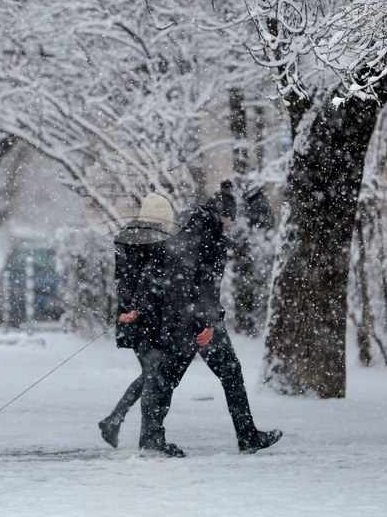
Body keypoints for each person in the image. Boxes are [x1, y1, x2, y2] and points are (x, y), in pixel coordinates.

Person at [137, 181, 283, 457]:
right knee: (230, 373)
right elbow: (205, 283)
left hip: (178, 317)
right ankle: (247, 435)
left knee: (164, 378)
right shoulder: (211, 234)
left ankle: (151, 437)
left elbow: (174, 277)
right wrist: (206, 323)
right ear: (222, 215)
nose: (229, 225)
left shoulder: (185, 228)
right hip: (198, 322)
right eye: (229, 219)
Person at [98, 192, 175, 448]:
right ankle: (145, 436)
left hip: (131, 318)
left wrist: (125, 310)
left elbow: (124, 280)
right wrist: (140, 308)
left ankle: (117, 420)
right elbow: (150, 281)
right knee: (154, 375)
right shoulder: (155, 240)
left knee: (151, 374)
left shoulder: (126, 237)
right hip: (149, 319)